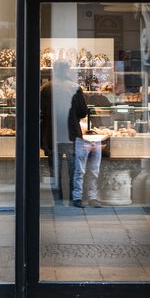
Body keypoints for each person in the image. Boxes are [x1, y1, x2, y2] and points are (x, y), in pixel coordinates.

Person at [40, 59, 88, 206]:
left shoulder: (45, 88)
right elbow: (83, 111)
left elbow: (41, 112)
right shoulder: (75, 87)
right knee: (74, 168)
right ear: (67, 70)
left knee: (55, 170)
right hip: (71, 134)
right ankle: (75, 199)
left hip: (52, 135)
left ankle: (58, 200)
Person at [74, 121, 103, 208]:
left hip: (96, 138)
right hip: (82, 138)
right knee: (80, 170)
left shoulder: (93, 110)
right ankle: (77, 197)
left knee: (94, 170)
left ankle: (92, 197)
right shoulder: (76, 110)